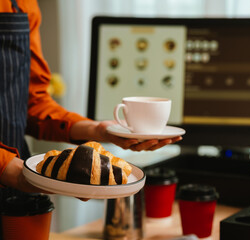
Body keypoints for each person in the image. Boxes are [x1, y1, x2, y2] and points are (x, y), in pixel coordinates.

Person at [0, 0, 181, 194]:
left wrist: (98, 130)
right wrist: (11, 170)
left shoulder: (22, 4)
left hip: (20, 190)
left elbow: (32, 105)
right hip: (17, 174)